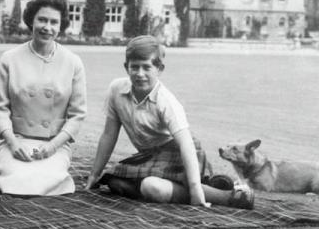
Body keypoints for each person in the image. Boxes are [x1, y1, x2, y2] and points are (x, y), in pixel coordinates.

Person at [84, 36, 254, 209]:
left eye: (146, 67)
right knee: (113, 181)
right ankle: (211, 184)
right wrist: (94, 174)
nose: (140, 74)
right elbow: (109, 135)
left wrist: (195, 189)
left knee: (151, 187)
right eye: (134, 67)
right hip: (150, 156)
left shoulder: (166, 101)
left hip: (181, 153)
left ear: (159, 69)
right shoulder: (116, 89)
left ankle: (228, 196)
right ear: (126, 67)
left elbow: (186, 144)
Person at [0, 0, 86, 195]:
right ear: (31, 21)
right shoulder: (9, 59)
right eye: (42, 20)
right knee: (17, 179)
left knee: (49, 180)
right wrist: (13, 143)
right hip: (16, 140)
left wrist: (53, 146)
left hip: (54, 144)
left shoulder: (73, 62)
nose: (47, 27)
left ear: (61, 26)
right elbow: (0, 110)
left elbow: (77, 115)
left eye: (54, 22)